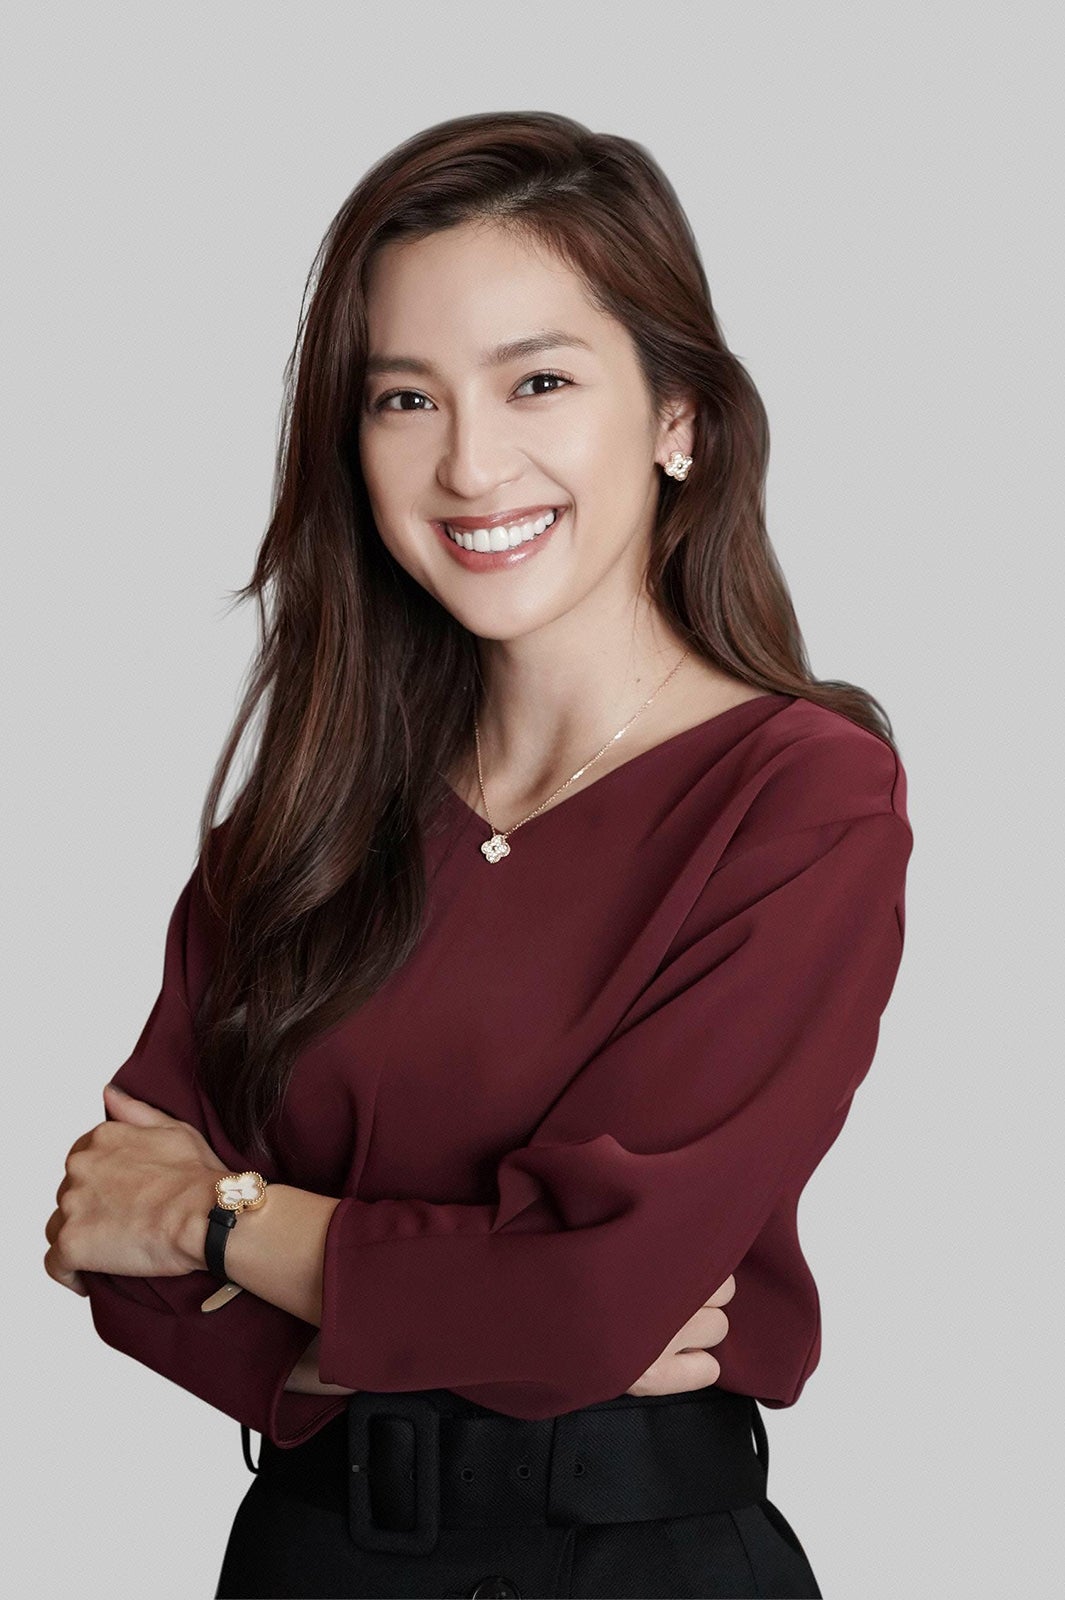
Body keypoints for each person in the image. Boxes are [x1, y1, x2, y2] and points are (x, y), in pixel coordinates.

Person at [44, 111, 913, 1599]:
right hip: (305, 1563)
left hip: (629, 1570)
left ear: (679, 418)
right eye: (405, 397)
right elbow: (106, 1242)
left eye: (539, 381)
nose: (468, 462)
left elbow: (581, 1299)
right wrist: (491, 1308)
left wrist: (217, 1215)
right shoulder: (312, 809)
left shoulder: (797, 799)